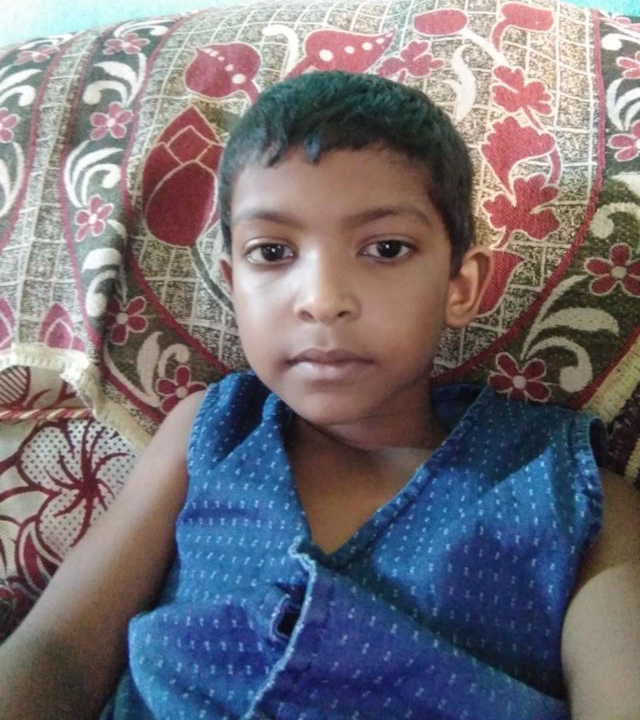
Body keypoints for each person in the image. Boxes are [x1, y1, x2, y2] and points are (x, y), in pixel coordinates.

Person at [1, 71, 639, 719]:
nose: (322, 299)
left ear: (460, 285)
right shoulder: (207, 432)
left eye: (385, 248)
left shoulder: (576, 496)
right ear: (232, 282)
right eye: (272, 251)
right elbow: (57, 652)